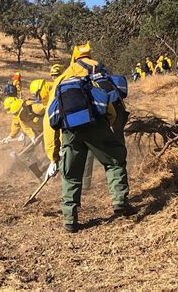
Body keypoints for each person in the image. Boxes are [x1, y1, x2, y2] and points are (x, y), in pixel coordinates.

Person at [43, 42, 132, 233]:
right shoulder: (97, 71)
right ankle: (119, 202)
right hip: (97, 125)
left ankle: (69, 219)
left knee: (71, 175)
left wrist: (53, 155)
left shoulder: (61, 80)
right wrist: (109, 125)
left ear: (73, 57)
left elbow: (49, 120)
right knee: (114, 161)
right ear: (90, 55)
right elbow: (109, 106)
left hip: (70, 132)